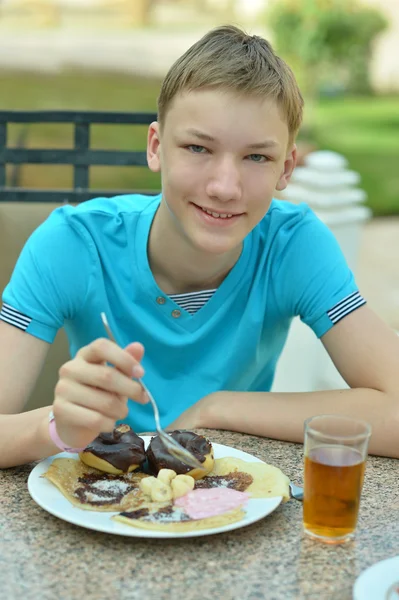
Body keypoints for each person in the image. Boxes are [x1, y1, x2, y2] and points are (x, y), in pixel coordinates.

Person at [1, 26, 398, 469]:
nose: (224, 187)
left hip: (228, 502)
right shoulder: (73, 244)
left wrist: (218, 408)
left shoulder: (293, 245)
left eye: (257, 157)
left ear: (285, 168)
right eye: (197, 147)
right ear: (156, 148)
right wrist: (56, 428)